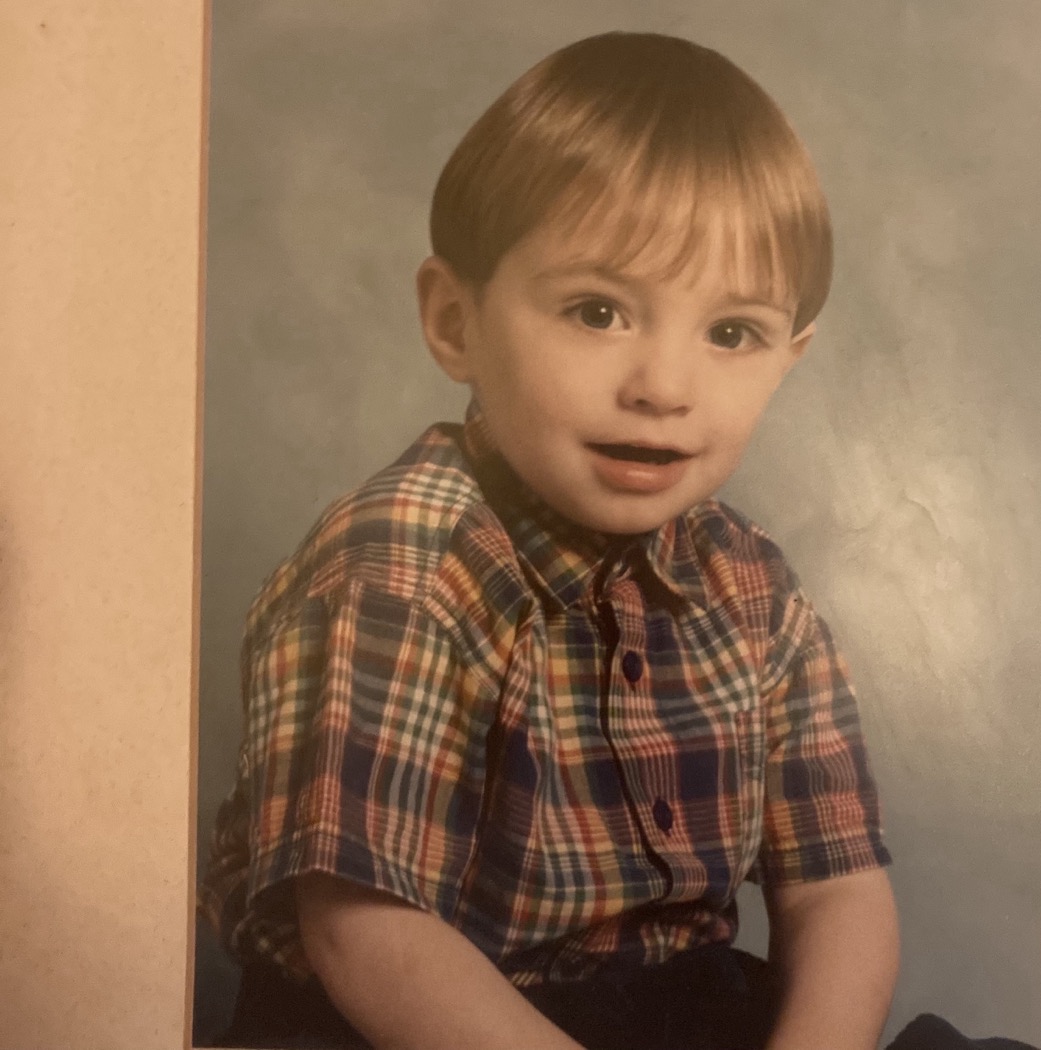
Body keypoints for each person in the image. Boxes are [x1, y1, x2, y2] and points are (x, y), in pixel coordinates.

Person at [199, 30, 898, 1050]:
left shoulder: (749, 587)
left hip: (672, 1006)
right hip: (411, 1016)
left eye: (730, 333)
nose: (663, 386)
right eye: (597, 310)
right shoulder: (400, 563)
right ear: (455, 323)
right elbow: (364, 935)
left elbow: (838, 887)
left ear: (788, 358)